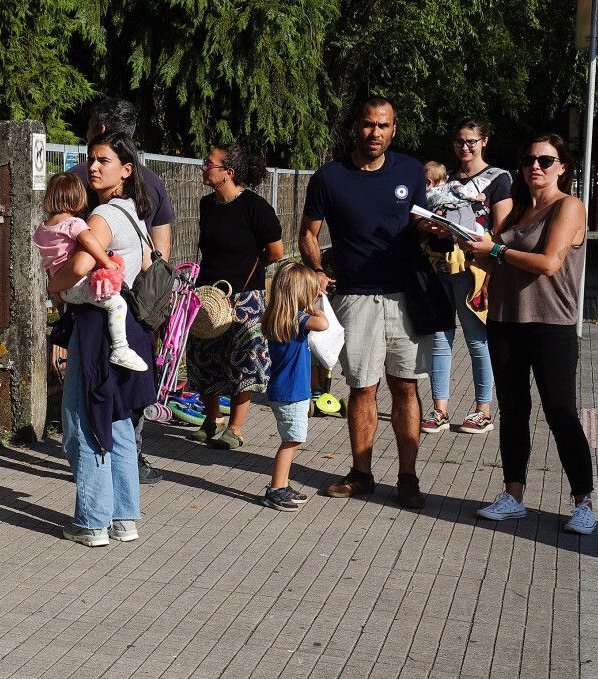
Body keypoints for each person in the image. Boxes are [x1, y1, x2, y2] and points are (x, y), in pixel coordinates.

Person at [458, 133, 596, 534]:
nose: (535, 166)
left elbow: (550, 263)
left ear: (563, 167)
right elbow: (502, 265)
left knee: (560, 412)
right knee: (513, 410)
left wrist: (496, 250)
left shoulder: (569, 207)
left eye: (546, 160)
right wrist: (474, 249)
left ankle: (583, 501)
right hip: (505, 321)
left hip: (551, 324)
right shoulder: (517, 211)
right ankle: (513, 495)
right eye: (528, 159)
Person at [298, 96, 431, 509]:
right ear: (357, 127)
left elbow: (421, 222)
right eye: (369, 125)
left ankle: (408, 478)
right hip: (355, 297)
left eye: (384, 126)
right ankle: (361, 473)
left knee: (405, 386)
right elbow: (307, 232)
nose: (376, 133)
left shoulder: (410, 169)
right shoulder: (329, 177)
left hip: (405, 295)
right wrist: (317, 269)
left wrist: (432, 231)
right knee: (362, 387)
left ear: (394, 129)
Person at [48, 131, 157, 546]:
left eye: (103, 161)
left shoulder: (103, 216)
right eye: (91, 159)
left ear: (126, 170)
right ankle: (123, 518)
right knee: (117, 420)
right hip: (125, 326)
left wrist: (51, 287)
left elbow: (77, 265)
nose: (92, 167)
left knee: (83, 420)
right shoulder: (134, 214)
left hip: (95, 328)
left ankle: (93, 522)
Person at [63, 97, 176, 484]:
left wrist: (56, 286)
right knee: (125, 411)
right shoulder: (152, 182)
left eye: (91, 124)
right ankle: (128, 491)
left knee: (91, 415)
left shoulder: (83, 181)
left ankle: (97, 508)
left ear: (103, 130)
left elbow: (71, 255)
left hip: (92, 306)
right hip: (138, 307)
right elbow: (161, 252)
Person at [185, 143, 283, 450]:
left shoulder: (256, 207)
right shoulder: (206, 204)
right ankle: (211, 421)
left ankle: (236, 428)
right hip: (208, 295)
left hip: (245, 297)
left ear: (228, 173)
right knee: (204, 357)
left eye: (209, 164)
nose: (203, 167)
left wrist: (246, 274)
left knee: (244, 361)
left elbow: (275, 252)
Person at [420, 120, 513, 436]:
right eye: (459, 141)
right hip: (440, 265)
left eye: (471, 141)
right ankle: (440, 409)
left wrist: (492, 269)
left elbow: (502, 230)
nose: (465, 147)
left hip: (475, 269)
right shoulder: (446, 181)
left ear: (484, 141)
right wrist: (427, 225)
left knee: (476, 339)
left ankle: (482, 410)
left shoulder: (498, 179)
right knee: (440, 339)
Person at [33, 173, 147, 371]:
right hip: (75, 283)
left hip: (63, 287)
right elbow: (89, 241)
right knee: (117, 303)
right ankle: (120, 348)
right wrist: (106, 261)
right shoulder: (73, 224)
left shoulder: (42, 229)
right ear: (78, 197)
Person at [261, 262, 329, 511]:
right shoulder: (299, 319)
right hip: (291, 392)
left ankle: (284, 483)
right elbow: (323, 324)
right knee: (292, 440)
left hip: (286, 391)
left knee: (292, 438)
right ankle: (276, 488)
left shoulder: (278, 317)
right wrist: (317, 306)